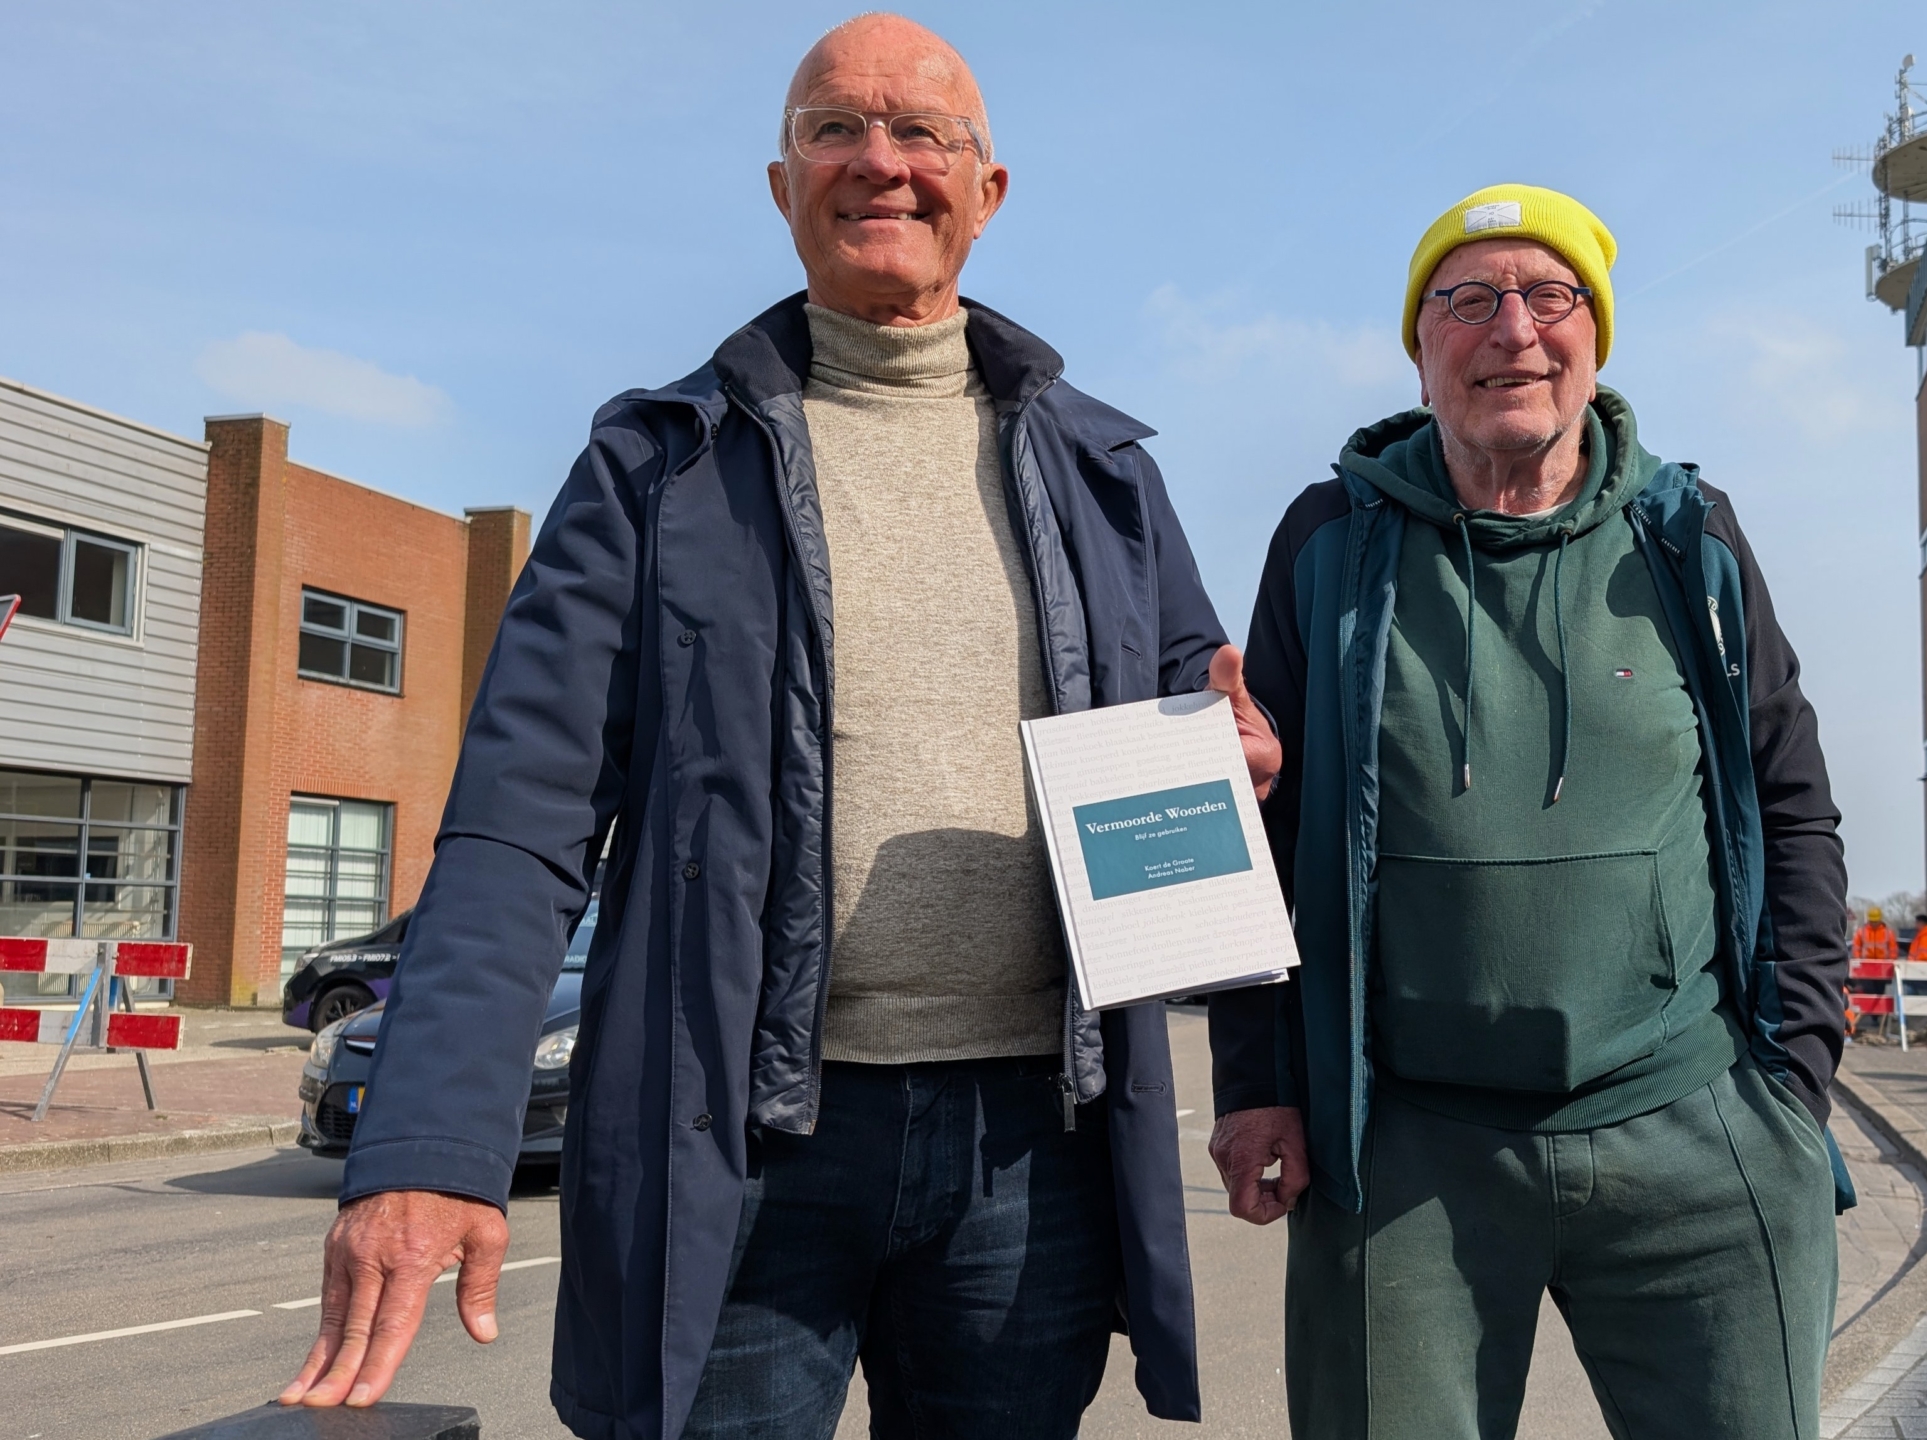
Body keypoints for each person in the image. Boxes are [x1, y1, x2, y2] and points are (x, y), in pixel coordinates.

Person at [279, 16, 1276, 1438]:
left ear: (987, 191)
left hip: (1031, 1149)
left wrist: (1236, 757)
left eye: (922, 132)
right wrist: (432, 1141)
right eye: (834, 129)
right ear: (781, 182)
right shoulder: (656, 464)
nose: (881, 161)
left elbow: (1198, 729)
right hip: (742, 1149)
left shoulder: (1103, 472)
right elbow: (519, 820)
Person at [1207, 184, 1851, 1439]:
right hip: (1406, 1149)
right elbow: (1260, 829)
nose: (1512, 329)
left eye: (1549, 296)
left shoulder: (1689, 537)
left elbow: (1790, 805)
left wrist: (1797, 1075)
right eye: (1466, 300)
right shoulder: (1330, 540)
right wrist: (1256, 1079)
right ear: (1419, 348)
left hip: (1694, 1122)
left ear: (1593, 337)